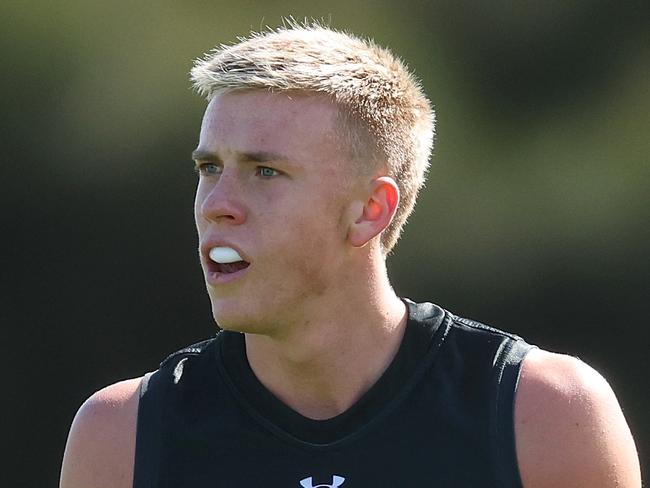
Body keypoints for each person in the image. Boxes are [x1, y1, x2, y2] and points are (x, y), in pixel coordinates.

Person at [60, 24, 641, 488]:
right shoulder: (123, 435)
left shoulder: (543, 415)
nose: (218, 205)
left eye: (266, 171)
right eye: (210, 168)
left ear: (370, 210)